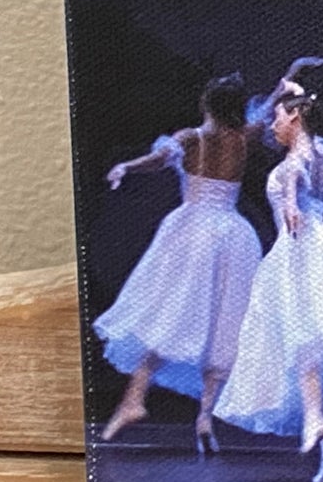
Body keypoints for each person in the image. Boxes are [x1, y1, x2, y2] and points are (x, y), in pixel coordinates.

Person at [94, 67, 305, 451]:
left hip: (193, 230)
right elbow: (271, 104)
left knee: (172, 314)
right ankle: (204, 417)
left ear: (206, 103)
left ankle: (134, 398)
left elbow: (159, 158)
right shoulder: (246, 136)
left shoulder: (192, 138)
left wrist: (127, 166)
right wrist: (288, 78)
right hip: (233, 233)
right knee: (224, 323)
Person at [213, 68, 323, 482]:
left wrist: (291, 204)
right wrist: (291, 92)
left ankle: (313, 419)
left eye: (277, 118)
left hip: (299, 251)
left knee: (300, 338)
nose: (272, 125)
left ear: (294, 120)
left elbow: (293, 179)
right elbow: (312, 163)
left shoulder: (295, 162)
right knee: (305, 343)